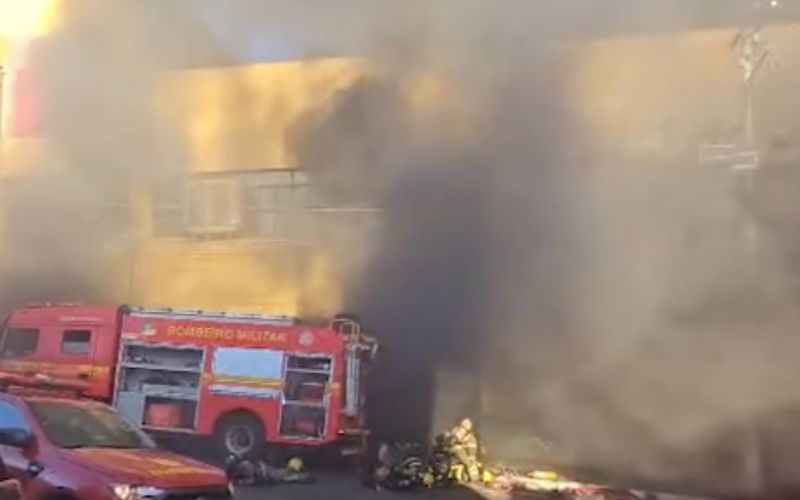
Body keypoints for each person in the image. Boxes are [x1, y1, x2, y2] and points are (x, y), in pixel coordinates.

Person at [448, 418, 480, 482]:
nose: (464, 430)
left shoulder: (471, 438)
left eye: (466, 429)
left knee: (471, 464)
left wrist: (471, 458)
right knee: (458, 448)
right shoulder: (455, 431)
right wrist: (456, 437)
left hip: (464, 456)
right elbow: (450, 442)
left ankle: (475, 479)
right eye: (463, 428)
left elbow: (472, 448)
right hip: (451, 453)